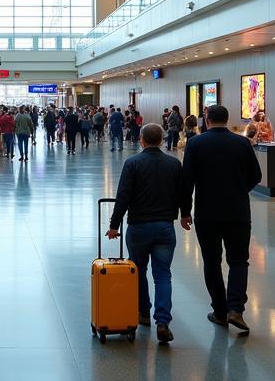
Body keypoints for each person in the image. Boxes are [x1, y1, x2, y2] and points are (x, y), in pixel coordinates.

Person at [181, 104, 262, 334]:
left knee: (212, 261)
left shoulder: (196, 143)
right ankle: (235, 308)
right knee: (238, 260)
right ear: (227, 119)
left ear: (206, 119)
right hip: (237, 212)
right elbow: (256, 175)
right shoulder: (242, 143)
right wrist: (239, 190)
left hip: (207, 213)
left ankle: (219, 310)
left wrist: (185, 210)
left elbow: (187, 180)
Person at [107, 123, 186, 344]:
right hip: (164, 227)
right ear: (161, 140)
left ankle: (143, 313)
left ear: (141, 140)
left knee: (138, 271)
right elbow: (183, 193)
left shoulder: (132, 164)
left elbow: (123, 196)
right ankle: (163, 321)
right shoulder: (173, 164)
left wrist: (114, 226)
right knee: (163, 274)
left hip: (138, 227)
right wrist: (185, 214)